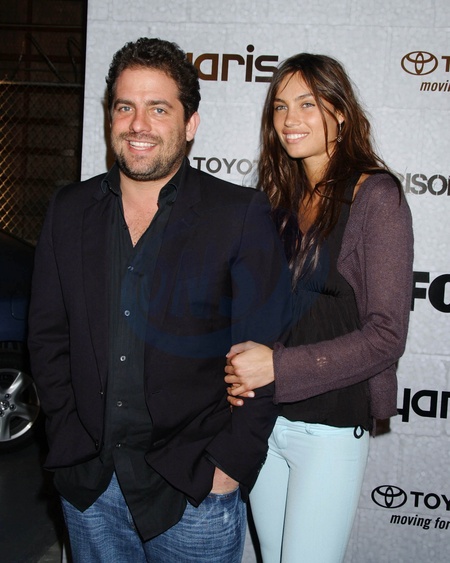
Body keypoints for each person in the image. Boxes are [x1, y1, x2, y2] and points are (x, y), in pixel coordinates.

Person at [27, 37, 291, 563]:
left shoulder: (238, 214)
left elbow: (263, 356)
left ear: (190, 124)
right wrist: (67, 438)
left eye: (159, 108)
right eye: (125, 107)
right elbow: (48, 336)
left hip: (193, 490)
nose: (138, 124)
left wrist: (228, 468)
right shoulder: (69, 209)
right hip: (90, 486)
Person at [225, 53, 414, 563]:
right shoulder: (276, 196)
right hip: (264, 418)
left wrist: (276, 366)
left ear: (341, 112)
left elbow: (387, 335)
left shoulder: (377, 197)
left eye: (307, 104)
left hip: (329, 425)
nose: (290, 119)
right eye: (280, 106)